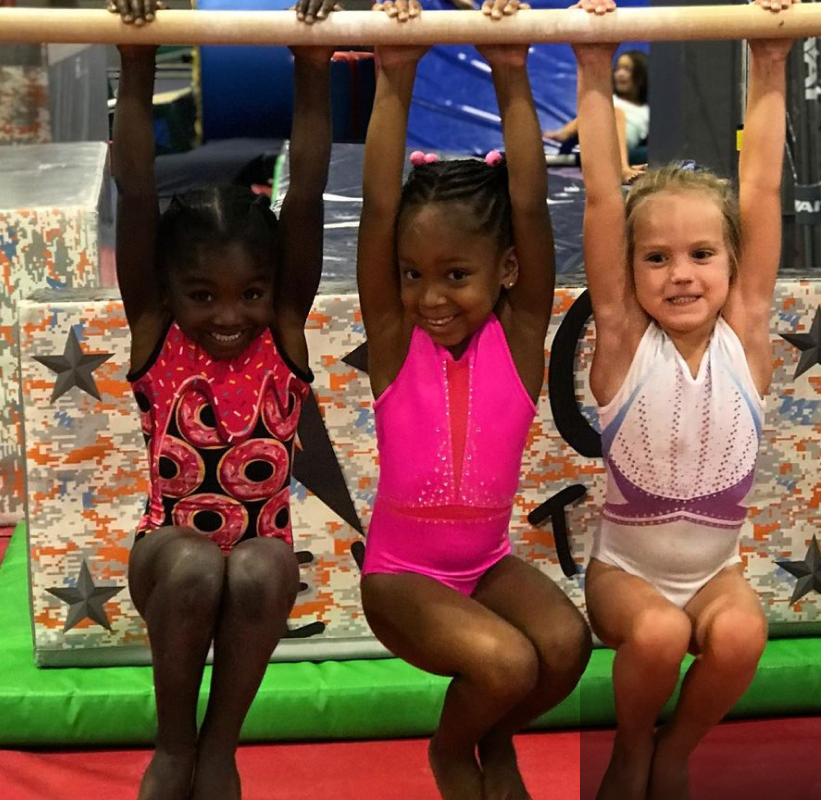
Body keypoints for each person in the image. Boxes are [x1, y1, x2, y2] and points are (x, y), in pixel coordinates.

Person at [354, 3, 594, 798]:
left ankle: (492, 736)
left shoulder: (518, 340)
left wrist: (513, 71)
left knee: (565, 645)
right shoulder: (396, 340)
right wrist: (396, 78)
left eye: (456, 275)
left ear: (507, 272)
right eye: (414, 274)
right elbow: (380, 211)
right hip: (400, 577)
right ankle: (455, 750)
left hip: (483, 565)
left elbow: (528, 208)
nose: (429, 297)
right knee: (509, 661)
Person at [105, 1, 337, 797]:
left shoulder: (284, 332)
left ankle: (217, 747)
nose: (230, 315)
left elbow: (303, 197)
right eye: (203, 295)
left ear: (274, 291)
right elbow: (136, 195)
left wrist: (313, 62)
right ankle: (175, 746)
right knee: (206, 566)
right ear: (168, 293)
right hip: (169, 552)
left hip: (258, 557)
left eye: (250, 293)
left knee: (266, 563)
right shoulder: (157, 335)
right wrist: (136, 56)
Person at [575, 2, 790, 797]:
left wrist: (768, 60)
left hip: (713, 571)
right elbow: (604, 199)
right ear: (630, 275)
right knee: (660, 633)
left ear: (734, 266)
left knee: (740, 633)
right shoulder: (626, 344)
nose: (681, 274)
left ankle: (677, 745)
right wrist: (594, 63)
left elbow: (760, 187)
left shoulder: (748, 339)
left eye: (702, 254)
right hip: (627, 573)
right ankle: (633, 744)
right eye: (657, 258)